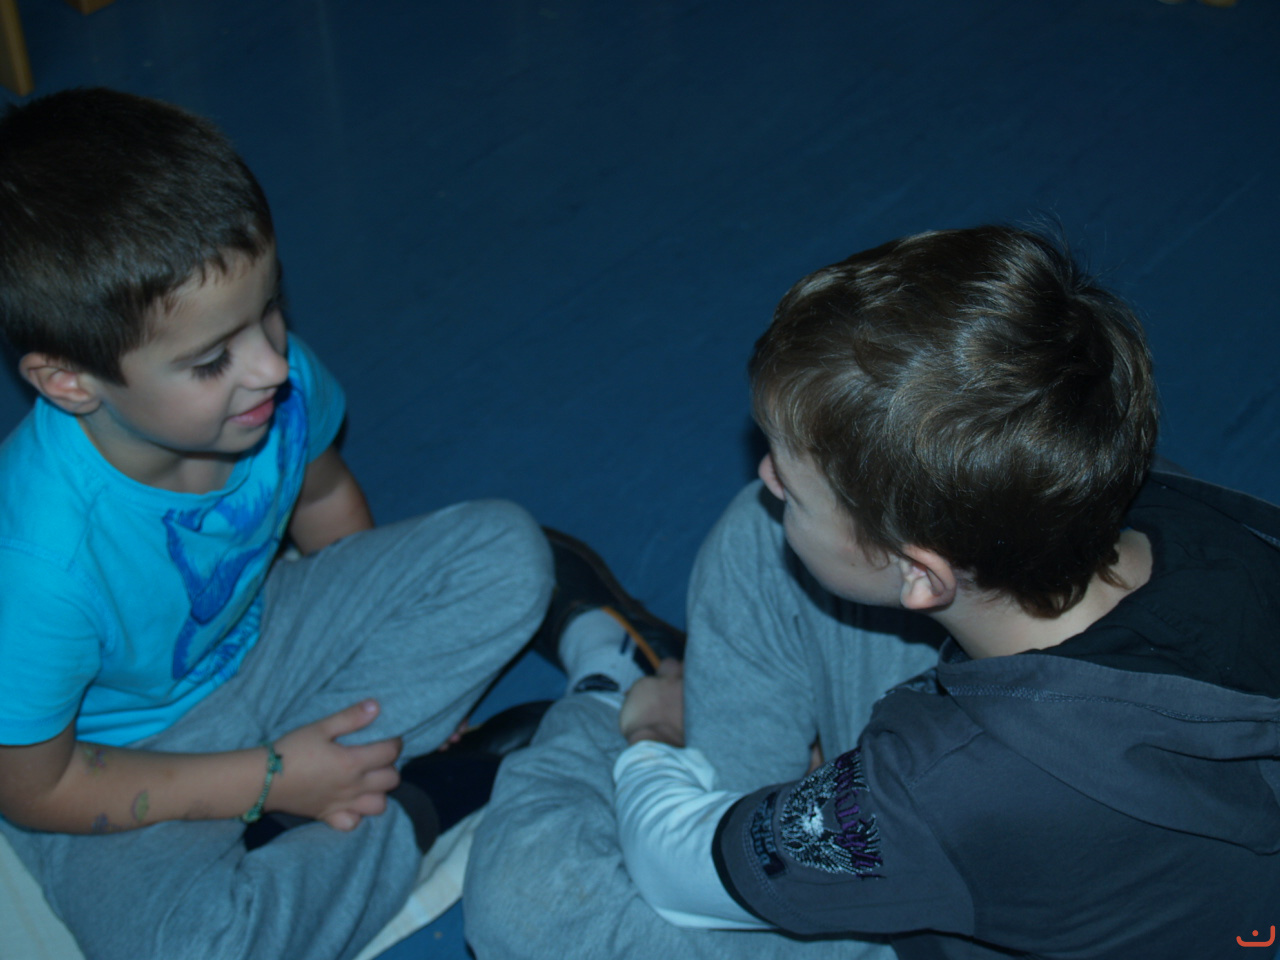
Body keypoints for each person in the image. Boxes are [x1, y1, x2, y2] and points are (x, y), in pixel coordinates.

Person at [466, 226, 1280, 959]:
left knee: (524, 908)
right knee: (764, 533)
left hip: (955, 853)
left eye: (792, 480)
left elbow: (673, 870)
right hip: (1028, 812)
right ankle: (765, 815)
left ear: (920, 575)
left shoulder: (941, 788)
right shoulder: (1184, 516)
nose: (767, 472)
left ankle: (608, 686)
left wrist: (648, 740)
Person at [0, 87, 552, 960]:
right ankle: (428, 795)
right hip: (122, 756)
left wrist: (371, 640)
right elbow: (34, 788)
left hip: (269, 641)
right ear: (70, 381)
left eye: (268, 311)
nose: (270, 364)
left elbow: (327, 506)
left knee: (509, 553)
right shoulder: (34, 568)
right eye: (211, 359)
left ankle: (324, 803)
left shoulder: (265, 387)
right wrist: (268, 779)